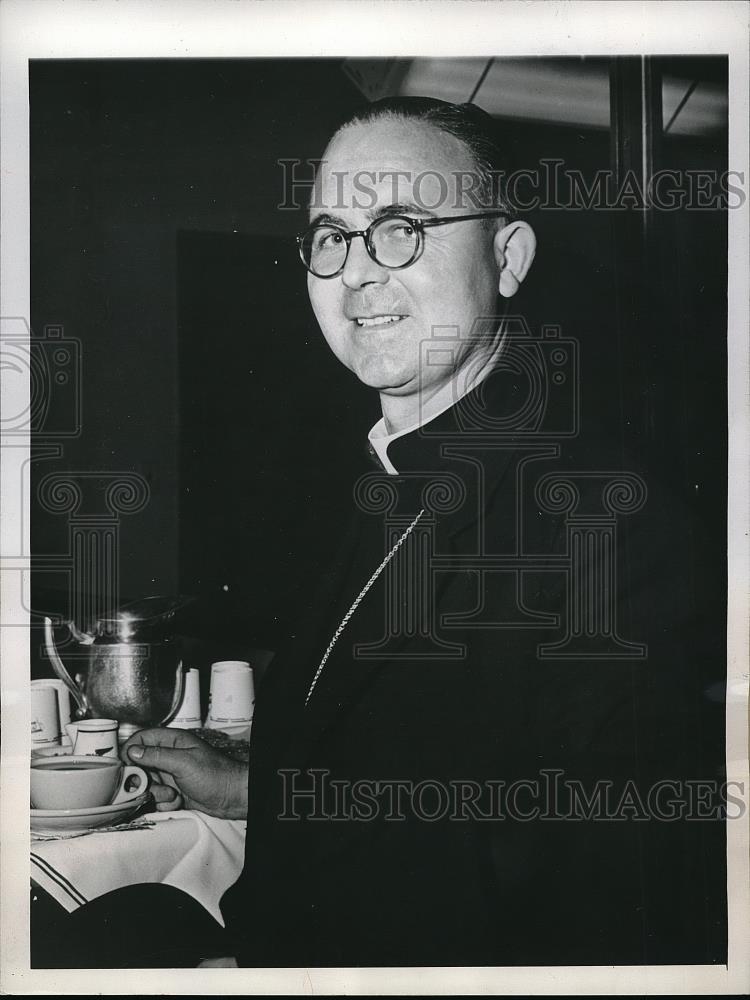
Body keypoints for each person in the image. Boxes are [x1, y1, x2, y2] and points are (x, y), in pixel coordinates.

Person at [123, 97, 726, 967]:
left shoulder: (615, 531)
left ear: (507, 256)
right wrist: (264, 790)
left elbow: (595, 909)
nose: (355, 272)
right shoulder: (385, 478)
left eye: (399, 226)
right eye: (330, 234)